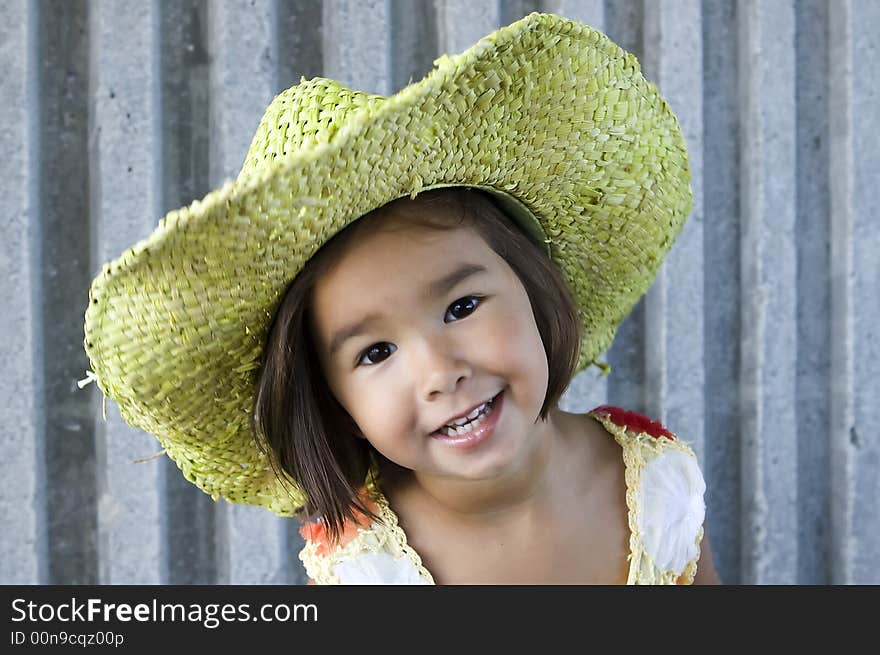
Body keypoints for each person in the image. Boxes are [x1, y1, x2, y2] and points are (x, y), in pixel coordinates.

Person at [82, 12, 720, 584]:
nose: (441, 373)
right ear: (333, 400)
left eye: (462, 307)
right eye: (377, 351)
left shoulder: (653, 484)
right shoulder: (370, 570)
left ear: (533, 287)